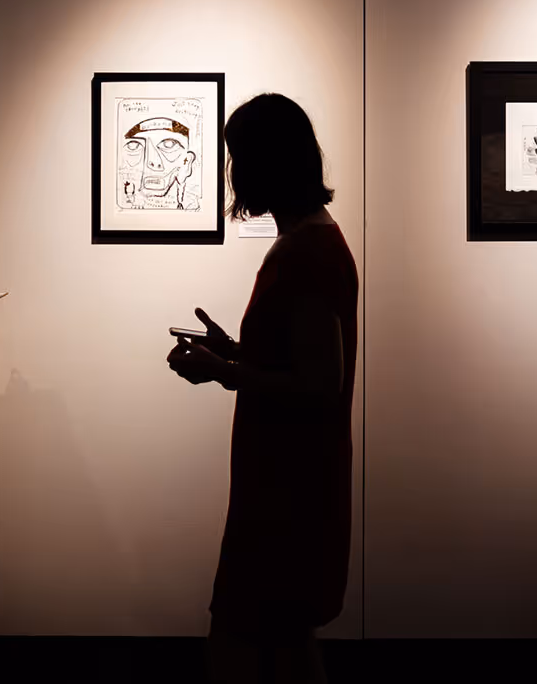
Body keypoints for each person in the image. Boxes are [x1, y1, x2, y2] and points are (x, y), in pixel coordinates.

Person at [166, 93, 358, 684]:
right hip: (290, 479)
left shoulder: (306, 253)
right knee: (285, 641)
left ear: (267, 163)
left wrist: (222, 371)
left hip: (288, 488)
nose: (232, 173)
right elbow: (304, 363)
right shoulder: (311, 242)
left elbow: (319, 386)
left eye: (238, 157)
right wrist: (237, 351)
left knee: (242, 642)